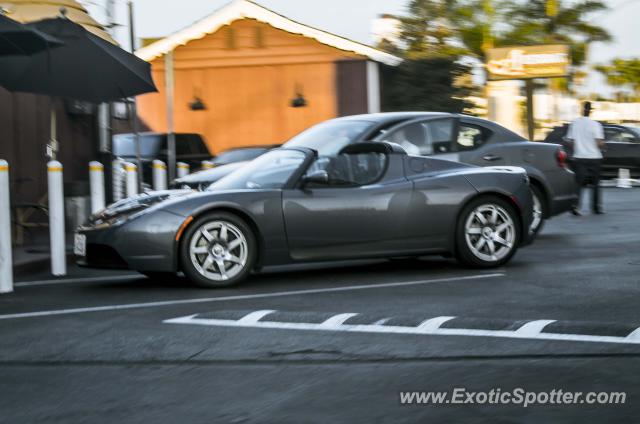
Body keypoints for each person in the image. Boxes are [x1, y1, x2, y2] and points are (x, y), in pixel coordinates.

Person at [565, 101, 606, 215]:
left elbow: (570, 141)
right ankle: (596, 208)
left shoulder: (575, 123)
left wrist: (579, 147)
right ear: (590, 111)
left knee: (578, 183)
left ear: (581, 110)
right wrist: (603, 145)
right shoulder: (596, 125)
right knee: (596, 184)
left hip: (579, 157)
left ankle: (575, 206)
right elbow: (598, 143)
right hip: (595, 157)